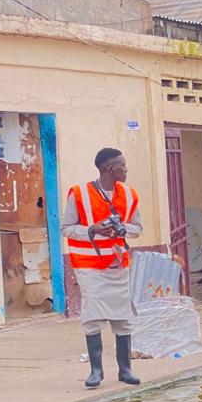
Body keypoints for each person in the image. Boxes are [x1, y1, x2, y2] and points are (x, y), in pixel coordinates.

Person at [61, 148, 142, 388]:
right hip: (88, 265)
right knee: (93, 313)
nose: (126, 169)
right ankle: (96, 371)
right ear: (108, 169)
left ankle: (125, 370)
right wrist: (92, 230)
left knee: (122, 316)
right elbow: (66, 228)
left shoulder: (129, 195)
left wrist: (123, 229)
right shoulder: (79, 194)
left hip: (117, 264)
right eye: (122, 165)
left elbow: (138, 228)